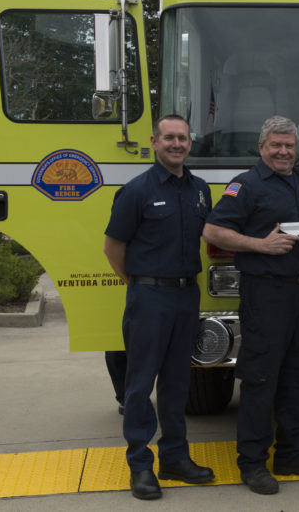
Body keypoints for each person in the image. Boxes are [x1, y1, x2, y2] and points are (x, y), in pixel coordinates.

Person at [202, 115, 299, 496]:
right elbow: (213, 230)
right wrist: (261, 245)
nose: (283, 151)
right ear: (261, 148)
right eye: (276, 145)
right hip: (265, 295)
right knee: (261, 379)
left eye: (289, 145)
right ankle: (253, 462)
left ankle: (293, 452)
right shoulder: (246, 185)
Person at [103, 114, 215, 501]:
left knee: (177, 384)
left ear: (190, 142)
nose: (177, 144)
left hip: (187, 296)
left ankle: (175, 458)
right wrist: (139, 284)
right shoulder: (136, 191)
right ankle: (140, 465)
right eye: (169, 138)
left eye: (182, 138)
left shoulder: (200, 189)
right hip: (149, 298)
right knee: (139, 386)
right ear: (154, 142)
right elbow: (113, 248)